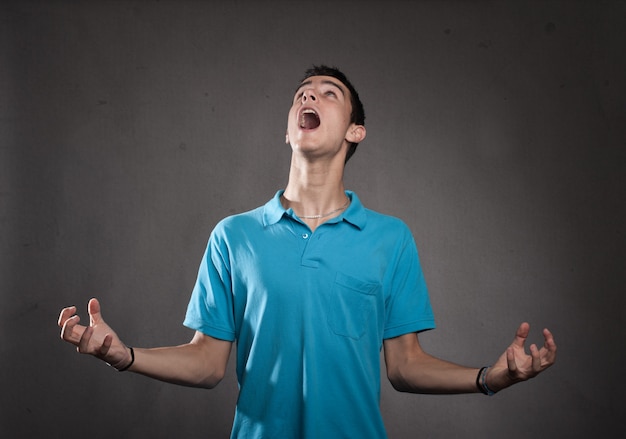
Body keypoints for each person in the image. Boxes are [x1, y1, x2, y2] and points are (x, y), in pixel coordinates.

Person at [58, 65, 557, 438]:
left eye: (327, 92)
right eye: (301, 94)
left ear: (354, 131)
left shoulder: (391, 239)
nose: (308, 96)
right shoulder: (234, 236)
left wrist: (489, 378)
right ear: (289, 130)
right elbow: (206, 363)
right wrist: (124, 356)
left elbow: (405, 366)